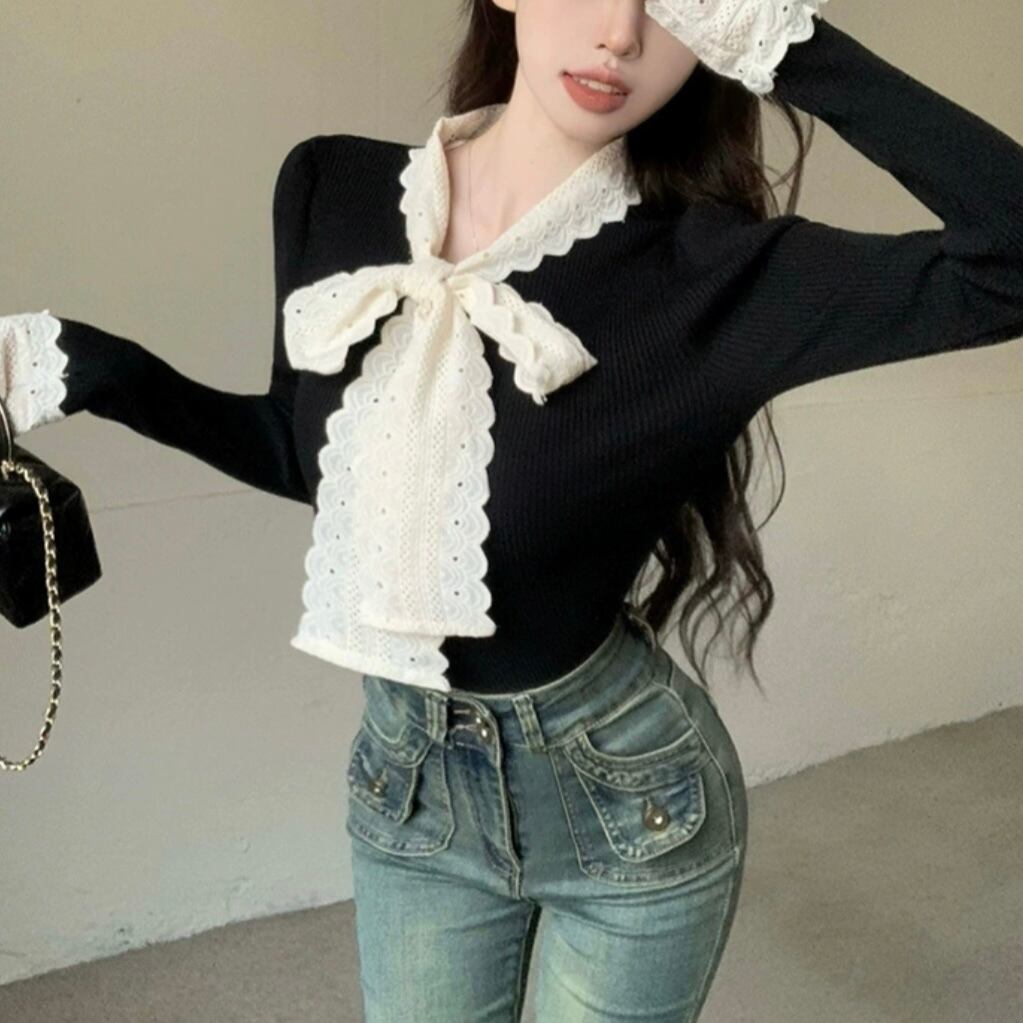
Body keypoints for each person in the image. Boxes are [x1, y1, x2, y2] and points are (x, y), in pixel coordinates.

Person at [3, 1, 1022, 1019]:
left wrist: (788, 44)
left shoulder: (711, 271)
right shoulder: (331, 186)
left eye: (673, 3)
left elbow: (1008, 260)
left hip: (627, 803)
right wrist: (100, 370)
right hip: (408, 790)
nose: (620, 35)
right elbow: (313, 455)